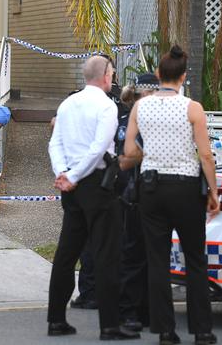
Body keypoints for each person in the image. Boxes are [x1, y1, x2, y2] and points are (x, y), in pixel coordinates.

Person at [121, 46, 219, 345]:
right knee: (195, 259)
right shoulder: (193, 108)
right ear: (184, 77)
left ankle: (165, 331)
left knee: (157, 259)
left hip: (151, 187)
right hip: (186, 187)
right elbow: (205, 154)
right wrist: (213, 191)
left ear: (160, 75)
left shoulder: (141, 107)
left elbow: (129, 152)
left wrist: (148, 153)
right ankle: (202, 330)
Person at [47, 55, 139, 340]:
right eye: (111, 73)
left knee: (66, 253)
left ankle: (56, 320)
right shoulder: (106, 106)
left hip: (72, 190)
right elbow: (99, 148)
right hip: (97, 185)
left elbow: (55, 143)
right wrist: (74, 176)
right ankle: (109, 325)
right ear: (106, 76)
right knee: (106, 253)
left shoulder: (67, 104)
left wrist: (63, 173)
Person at [117, 73, 159, 332]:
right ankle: (130, 311)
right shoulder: (130, 120)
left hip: (152, 192)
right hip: (133, 193)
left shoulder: (155, 119)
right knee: (133, 254)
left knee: (149, 255)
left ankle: (145, 310)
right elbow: (125, 158)